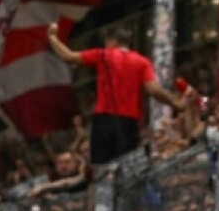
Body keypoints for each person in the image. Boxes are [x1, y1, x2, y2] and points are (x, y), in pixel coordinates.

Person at [46, 24, 184, 166]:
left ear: (111, 41)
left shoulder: (103, 55)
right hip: (128, 122)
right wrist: (176, 103)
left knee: (100, 168)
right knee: (127, 167)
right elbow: (153, 90)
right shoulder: (142, 62)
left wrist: (52, 38)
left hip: (104, 119)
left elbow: (68, 56)